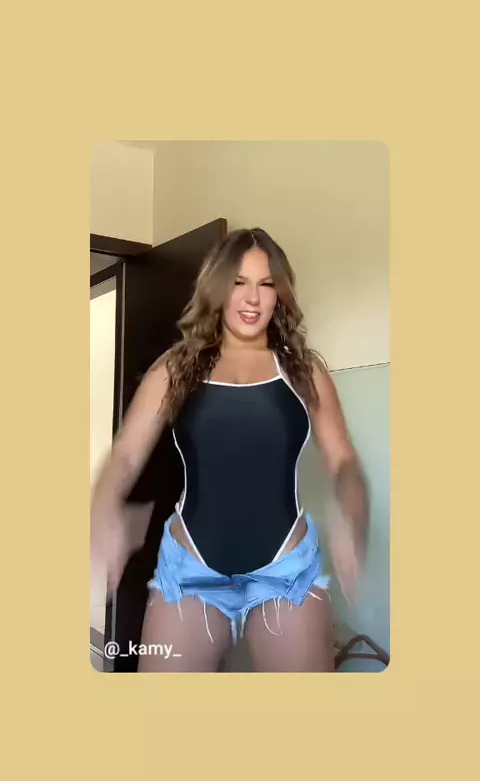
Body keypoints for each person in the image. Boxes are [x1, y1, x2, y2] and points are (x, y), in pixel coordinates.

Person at [90, 227, 369, 672]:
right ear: (218, 287)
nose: (252, 298)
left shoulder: (303, 370)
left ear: (280, 294)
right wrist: (104, 509)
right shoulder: (176, 368)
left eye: (266, 284)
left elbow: (344, 462)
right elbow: (125, 454)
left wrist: (352, 516)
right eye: (239, 282)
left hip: (285, 572)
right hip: (190, 571)